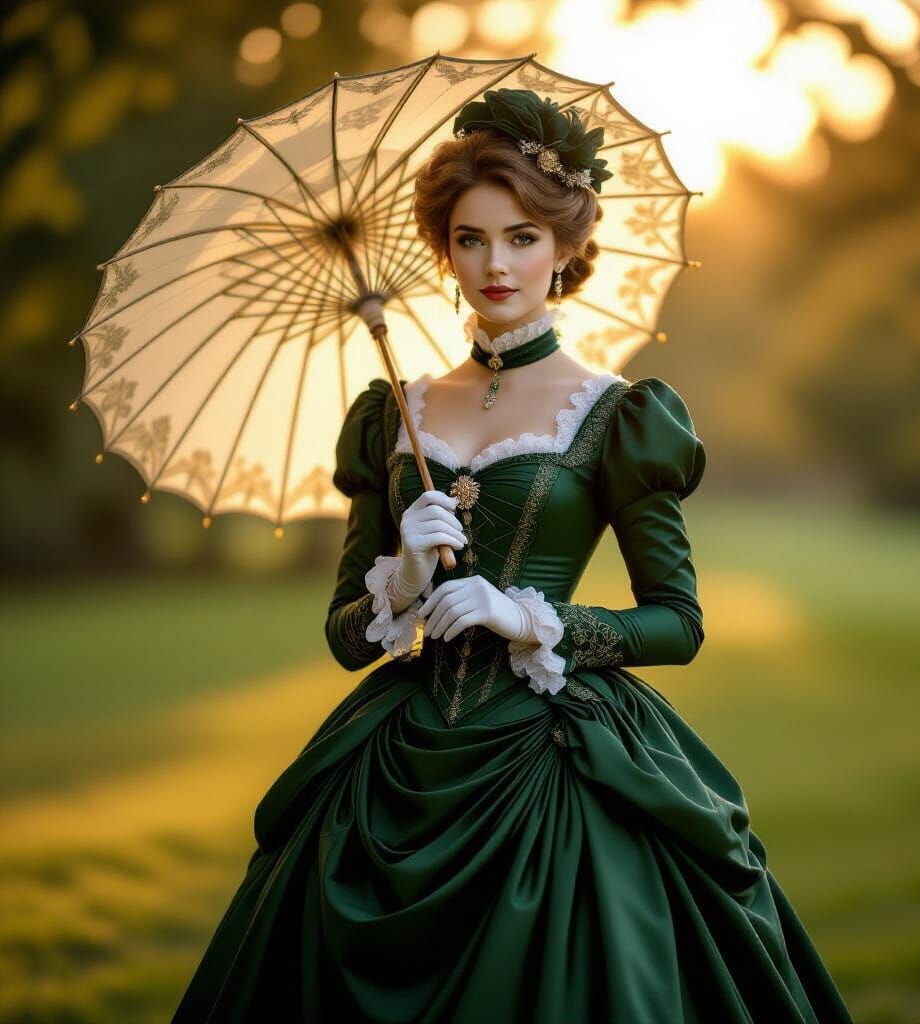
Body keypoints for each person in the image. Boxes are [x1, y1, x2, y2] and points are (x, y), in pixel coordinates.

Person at [172, 89, 853, 1023]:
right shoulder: (392, 414)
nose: (496, 264)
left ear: (568, 247)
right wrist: (403, 583)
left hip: (555, 759)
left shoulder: (619, 415)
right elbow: (344, 640)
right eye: (470, 239)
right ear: (444, 249)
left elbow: (679, 623)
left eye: (524, 237)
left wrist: (521, 613)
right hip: (394, 764)